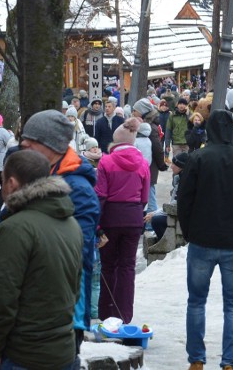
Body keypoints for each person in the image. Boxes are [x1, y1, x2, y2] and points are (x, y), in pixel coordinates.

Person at [0, 150, 83, 370]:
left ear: (11, 183)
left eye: (3, 181)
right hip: (62, 350)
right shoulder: (70, 223)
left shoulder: (16, 228)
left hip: (23, 355)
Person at [178, 109, 233, 370]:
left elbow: (184, 200)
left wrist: (190, 232)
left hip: (202, 239)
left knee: (196, 301)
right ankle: (229, 361)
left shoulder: (198, 158)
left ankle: (197, 359)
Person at [19, 109, 101, 349]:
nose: (24, 144)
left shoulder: (78, 188)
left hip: (65, 304)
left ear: (51, 145)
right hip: (35, 296)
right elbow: (6, 216)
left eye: (31, 141)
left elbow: (77, 250)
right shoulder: (33, 175)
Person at [94, 117, 150, 323]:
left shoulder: (106, 161)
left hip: (110, 218)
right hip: (133, 218)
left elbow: (100, 195)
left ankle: (107, 313)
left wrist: (97, 225)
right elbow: (144, 197)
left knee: (108, 266)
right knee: (127, 267)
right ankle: (124, 314)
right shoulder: (143, 164)